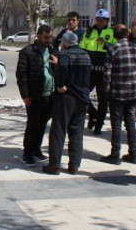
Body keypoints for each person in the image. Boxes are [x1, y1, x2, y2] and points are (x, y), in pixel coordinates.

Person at [43, 31, 92, 175]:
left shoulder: (65, 55)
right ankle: (74, 166)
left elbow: (63, 68)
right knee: (77, 132)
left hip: (67, 97)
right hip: (82, 98)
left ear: (64, 43)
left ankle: (54, 165)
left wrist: (60, 85)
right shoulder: (86, 55)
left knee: (58, 130)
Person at [101, 24, 136, 165]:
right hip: (132, 94)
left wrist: (107, 89)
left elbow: (107, 73)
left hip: (117, 93)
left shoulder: (113, 49)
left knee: (116, 124)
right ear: (127, 34)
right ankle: (133, 154)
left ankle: (115, 154)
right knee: (130, 123)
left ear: (114, 36)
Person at [16, 24, 57, 166]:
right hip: (34, 95)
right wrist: (25, 94)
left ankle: (36, 150)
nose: (48, 40)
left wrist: (57, 63)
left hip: (50, 94)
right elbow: (21, 74)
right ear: (38, 36)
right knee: (33, 124)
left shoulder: (52, 51)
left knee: (42, 124)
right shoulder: (27, 52)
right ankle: (27, 154)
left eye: (50, 37)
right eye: (45, 37)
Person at [79, 8, 116, 135]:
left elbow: (116, 49)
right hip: (90, 70)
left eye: (102, 20)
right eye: (98, 19)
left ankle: (98, 125)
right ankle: (92, 113)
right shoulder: (89, 32)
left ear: (107, 21)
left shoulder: (111, 32)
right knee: (81, 94)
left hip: (104, 72)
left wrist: (105, 44)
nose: (99, 22)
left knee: (103, 101)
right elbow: (82, 47)